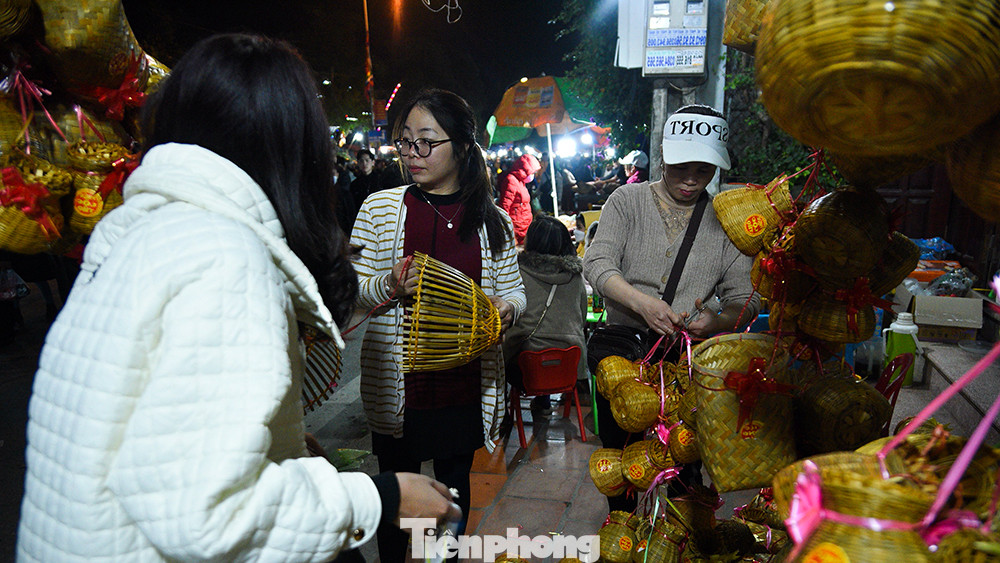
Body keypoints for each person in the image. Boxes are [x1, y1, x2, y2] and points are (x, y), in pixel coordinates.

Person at [16, 34, 459, 563]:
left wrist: (276, 448)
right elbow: (208, 514)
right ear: (290, 146)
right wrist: (381, 496)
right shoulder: (222, 256)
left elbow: (159, 435)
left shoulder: (146, 231)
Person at [350, 88, 526, 562]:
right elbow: (353, 288)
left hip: (463, 386)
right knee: (395, 504)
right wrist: (388, 284)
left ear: (463, 147)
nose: (413, 154)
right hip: (398, 388)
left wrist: (504, 310)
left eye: (426, 141)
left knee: (450, 499)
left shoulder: (492, 221)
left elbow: (515, 292)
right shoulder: (380, 210)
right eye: (406, 142)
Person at [582, 104, 760, 513]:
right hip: (624, 357)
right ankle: (624, 536)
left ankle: (681, 543)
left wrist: (718, 320)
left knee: (685, 469)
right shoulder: (627, 201)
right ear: (663, 155)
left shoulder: (723, 220)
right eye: (682, 167)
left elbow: (746, 298)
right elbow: (597, 263)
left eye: (705, 170)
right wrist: (642, 303)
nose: (692, 180)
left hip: (684, 366)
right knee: (624, 463)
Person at [502, 215, 588, 411]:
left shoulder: (517, 273)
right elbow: (581, 317)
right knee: (552, 351)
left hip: (526, 370)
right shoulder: (575, 277)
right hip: (569, 368)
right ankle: (544, 400)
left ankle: (504, 417)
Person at [497, 152, 541, 245]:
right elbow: (504, 207)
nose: (533, 175)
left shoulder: (521, 182)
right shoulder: (511, 181)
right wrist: (509, 231)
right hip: (516, 229)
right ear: (525, 169)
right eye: (532, 172)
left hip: (524, 227)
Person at [349, 148, 382, 215]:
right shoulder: (354, 184)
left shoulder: (380, 181)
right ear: (358, 163)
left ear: (373, 162)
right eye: (361, 161)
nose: (364, 163)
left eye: (367, 160)